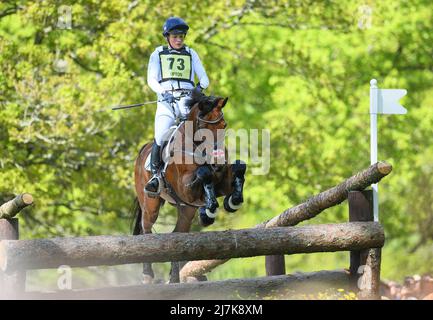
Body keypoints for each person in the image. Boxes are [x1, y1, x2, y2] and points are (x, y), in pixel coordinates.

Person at [145, 17, 209, 194]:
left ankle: (210, 163)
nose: (179, 39)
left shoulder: (191, 53)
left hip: (186, 99)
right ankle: (156, 176)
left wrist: (197, 90)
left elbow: (204, 78)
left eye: (181, 36)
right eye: (175, 36)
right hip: (166, 101)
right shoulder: (158, 53)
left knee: (199, 129)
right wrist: (162, 92)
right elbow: (151, 79)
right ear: (167, 36)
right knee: (160, 134)